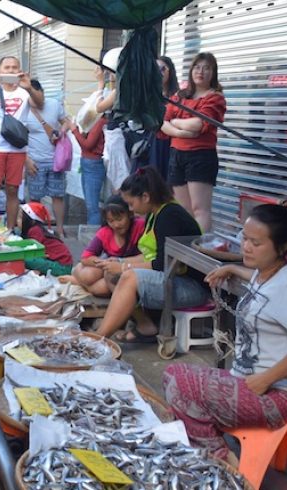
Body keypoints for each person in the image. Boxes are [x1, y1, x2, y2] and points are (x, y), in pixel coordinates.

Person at [163, 203, 287, 464]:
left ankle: (220, 461)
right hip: (251, 384)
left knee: (181, 386)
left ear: (283, 247)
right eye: (244, 239)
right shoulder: (267, 274)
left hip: (279, 398)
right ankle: (207, 449)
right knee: (174, 376)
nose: (246, 247)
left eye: (256, 242)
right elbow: (259, 283)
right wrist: (232, 269)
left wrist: (267, 378)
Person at [93, 167, 208, 343]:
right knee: (112, 272)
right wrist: (119, 261)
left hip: (192, 288)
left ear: (145, 197)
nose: (130, 209)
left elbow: (163, 264)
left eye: (131, 204)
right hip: (172, 278)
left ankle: (98, 338)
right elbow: (151, 256)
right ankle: (144, 324)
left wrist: (124, 266)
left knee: (128, 276)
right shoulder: (155, 214)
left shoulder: (169, 216)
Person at [0, 55, 45, 226]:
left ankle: (10, 230)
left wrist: (30, 88)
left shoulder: (24, 91)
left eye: (14, 67)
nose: (11, 70)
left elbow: (40, 104)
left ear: (19, 70)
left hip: (17, 149)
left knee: (13, 190)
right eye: (7, 67)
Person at [162, 52, 227, 232]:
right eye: (197, 67)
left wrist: (175, 123)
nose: (201, 71)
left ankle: (200, 252)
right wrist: (179, 130)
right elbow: (162, 122)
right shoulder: (180, 95)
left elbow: (199, 124)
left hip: (201, 156)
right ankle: (186, 254)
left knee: (200, 209)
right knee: (184, 210)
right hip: (177, 154)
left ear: (213, 73)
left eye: (207, 68)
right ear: (191, 71)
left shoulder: (215, 98)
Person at [67, 195, 146, 297]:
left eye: (119, 219)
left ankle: (79, 283)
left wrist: (119, 263)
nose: (116, 225)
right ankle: (78, 272)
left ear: (129, 214)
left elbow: (148, 257)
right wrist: (106, 263)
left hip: (132, 267)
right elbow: (86, 257)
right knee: (88, 276)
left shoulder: (140, 227)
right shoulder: (105, 233)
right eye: (111, 221)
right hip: (109, 268)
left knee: (102, 289)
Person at [23, 79, 69, 238]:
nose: (35, 101)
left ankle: (60, 229)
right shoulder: (24, 108)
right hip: (35, 160)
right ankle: (38, 230)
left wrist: (61, 131)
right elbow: (18, 138)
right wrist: (26, 160)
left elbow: (66, 122)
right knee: (35, 197)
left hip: (56, 160)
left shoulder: (54, 104)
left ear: (42, 93)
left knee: (58, 195)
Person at [142, 56, 180, 177]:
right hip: (153, 144)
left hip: (173, 144)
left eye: (163, 69)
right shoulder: (149, 94)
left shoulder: (178, 96)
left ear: (170, 71)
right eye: (155, 69)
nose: (159, 73)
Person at [71, 114, 108, 225]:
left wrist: (74, 130)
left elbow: (88, 145)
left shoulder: (99, 121)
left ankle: (93, 234)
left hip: (93, 164)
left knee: (92, 206)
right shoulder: (98, 121)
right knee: (90, 204)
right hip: (90, 163)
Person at [20, 202, 73, 276]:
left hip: (62, 267)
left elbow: (34, 253)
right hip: (61, 264)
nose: (17, 220)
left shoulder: (35, 230)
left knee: (25, 259)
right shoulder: (36, 229)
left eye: (20, 217)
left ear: (32, 221)